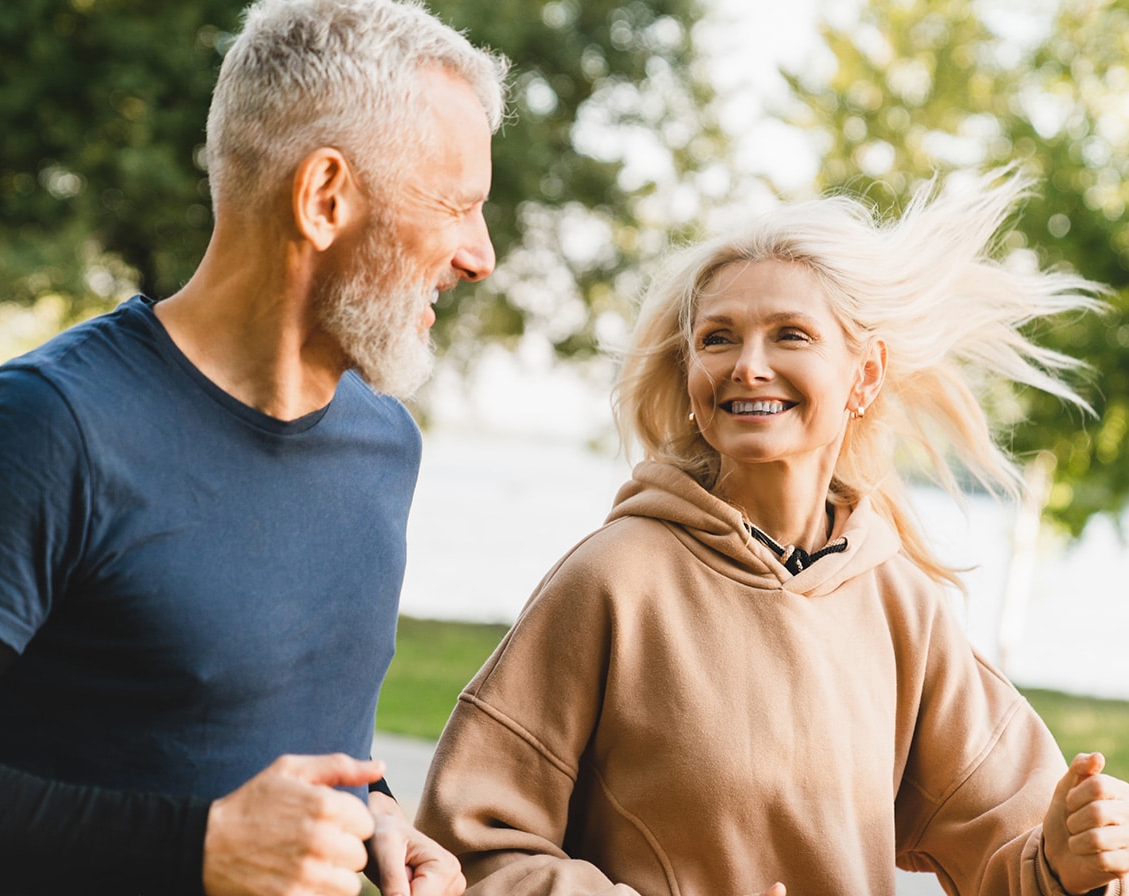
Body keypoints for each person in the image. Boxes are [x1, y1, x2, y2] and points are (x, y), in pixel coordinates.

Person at [415, 170, 1129, 896]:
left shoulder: (900, 602)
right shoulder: (613, 579)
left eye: (790, 334)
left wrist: (1068, 859)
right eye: (718, 338)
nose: (748, 366)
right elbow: (464, 852)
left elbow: (1012, 852)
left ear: (865, 374)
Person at [0, 0, 507, 894]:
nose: (482, 254)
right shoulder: (43, 431)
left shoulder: (382, 441)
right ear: (324, 199)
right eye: (456, 205)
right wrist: (195, 848)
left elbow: (289, 738)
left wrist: (377, 814)